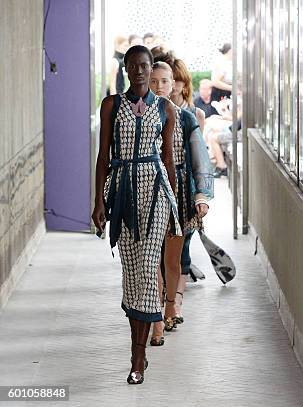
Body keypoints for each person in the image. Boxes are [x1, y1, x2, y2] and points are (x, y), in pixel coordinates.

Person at [92, 45, 181, 384]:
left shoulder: (166, 110)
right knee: (131, 272)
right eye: (135, 66)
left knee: (147, 267)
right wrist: (99, 202)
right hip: (124, 191)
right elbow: (103, 156)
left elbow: (169, 159)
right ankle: (136, 347)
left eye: (145, 65)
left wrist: (175, 206)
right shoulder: (112, 106)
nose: (141, 71)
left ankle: (139, 357)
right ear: (127, 69)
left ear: (150, 67)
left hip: (156, 189)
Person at [148, 61, 214, 341]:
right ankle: (157, 319)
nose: (160, 86)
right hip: (147, 193)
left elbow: (201, 160)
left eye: (165, 81)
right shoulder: (139, 115)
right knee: (152, 260)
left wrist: (202, 195)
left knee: (173, 259)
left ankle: (171, 305)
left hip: (179, 195)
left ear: (174, 83)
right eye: (154, 81)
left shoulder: (186, 118)